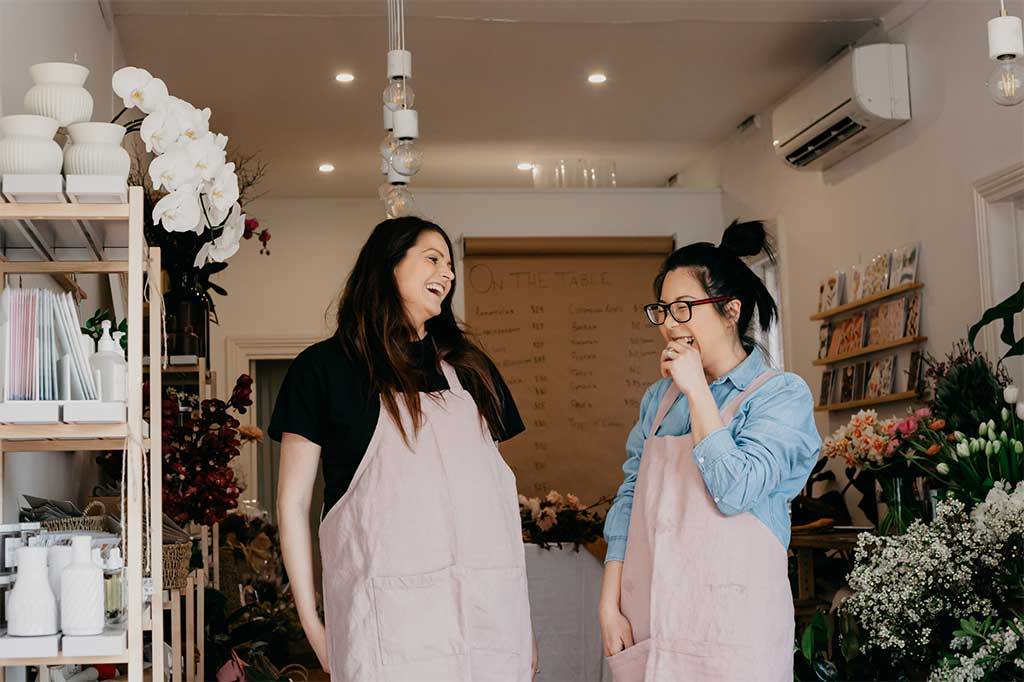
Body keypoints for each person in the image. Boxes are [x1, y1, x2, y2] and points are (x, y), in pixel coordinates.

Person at [270, 216, 537, 681]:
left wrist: (522, 623)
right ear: (386, 267)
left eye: (450, 266)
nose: (448, 274)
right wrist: (312, 623)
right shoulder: (323, 370)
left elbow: (496, 509)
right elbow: (292, 505)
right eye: (432, 258)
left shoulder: (473, 371)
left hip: (487, 628)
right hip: (385, 632)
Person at [598, 220, 821, 681]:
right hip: (652, 622)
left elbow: (735, 490)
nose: (669, 325)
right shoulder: (657, 402)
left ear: (730, 310)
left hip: (733, 634)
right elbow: (629, 499)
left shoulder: (780, 396)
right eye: (662, 310)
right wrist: (609, 601)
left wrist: (698, 390)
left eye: (684, 309)